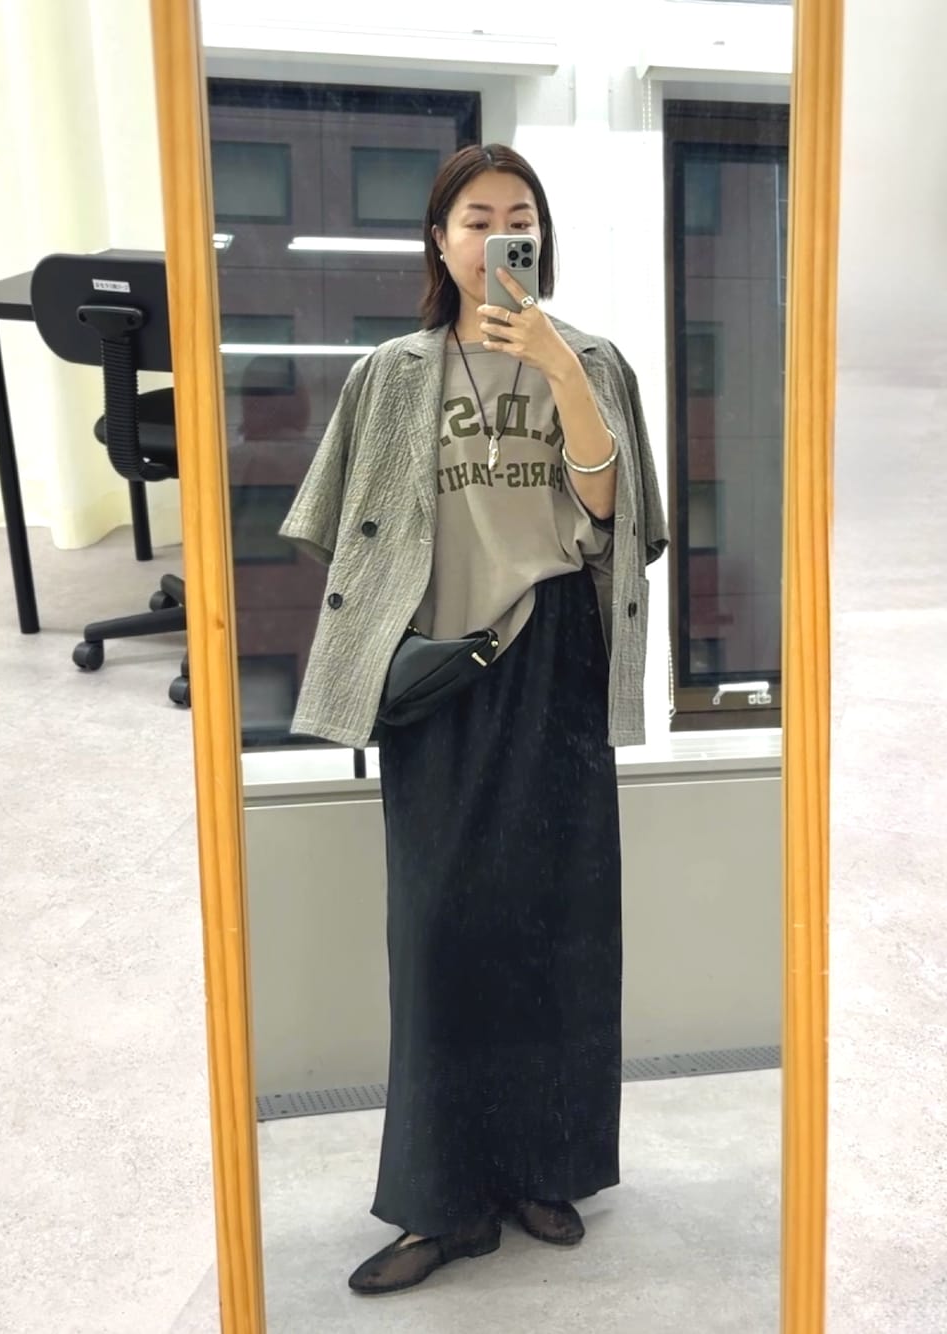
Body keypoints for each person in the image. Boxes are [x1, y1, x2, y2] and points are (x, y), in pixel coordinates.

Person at [279, 143, 669, 1297]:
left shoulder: (592, 358)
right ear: (440, 242)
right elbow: (336, 533)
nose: (503, 235)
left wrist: (554, 366)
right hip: (437, 672)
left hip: (555, 657)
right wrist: (387, 632)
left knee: (559, 926)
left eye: (522, 217)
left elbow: (614, 508)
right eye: (478, 217)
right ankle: (442, 1202)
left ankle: (544, 1168)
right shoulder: (389, 374)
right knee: (438, 936)